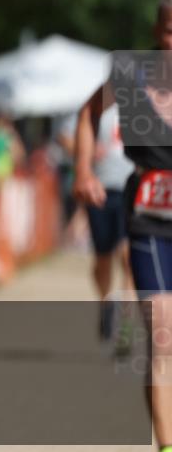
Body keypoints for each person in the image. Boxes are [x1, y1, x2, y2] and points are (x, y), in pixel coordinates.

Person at [73, 0, 172, 452]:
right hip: (149, 224)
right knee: (162, 337)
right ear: (158, 31)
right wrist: (83, 171)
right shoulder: (133, 74)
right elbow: (88, 113)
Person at [59, 106, 135, 346]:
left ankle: (127, 324)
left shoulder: (147, 99)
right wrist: (85, 155)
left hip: (132, 190)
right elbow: (65, 135)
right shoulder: (103, 99)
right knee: (103, 258)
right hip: (99, 191)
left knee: (128, 256)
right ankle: (105, 303)